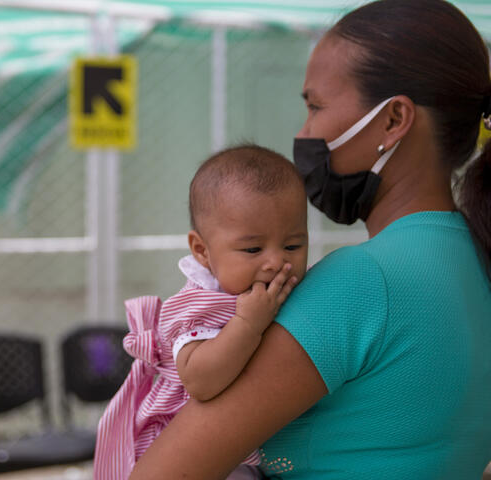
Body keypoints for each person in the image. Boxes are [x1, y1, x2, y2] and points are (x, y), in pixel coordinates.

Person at [130, 0, 491, 479]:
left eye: (316, 106)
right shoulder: (478, 257)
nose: (304, 133)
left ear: (392, 120)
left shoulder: (361, 283)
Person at [94, 145, 308, 480]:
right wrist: (248, 324)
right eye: (252, 249)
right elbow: (200, 380)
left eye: (293, 245)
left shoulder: (286, 291)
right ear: (202, 251)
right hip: (197, 450)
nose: (276, 262)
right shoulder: (198, 305)